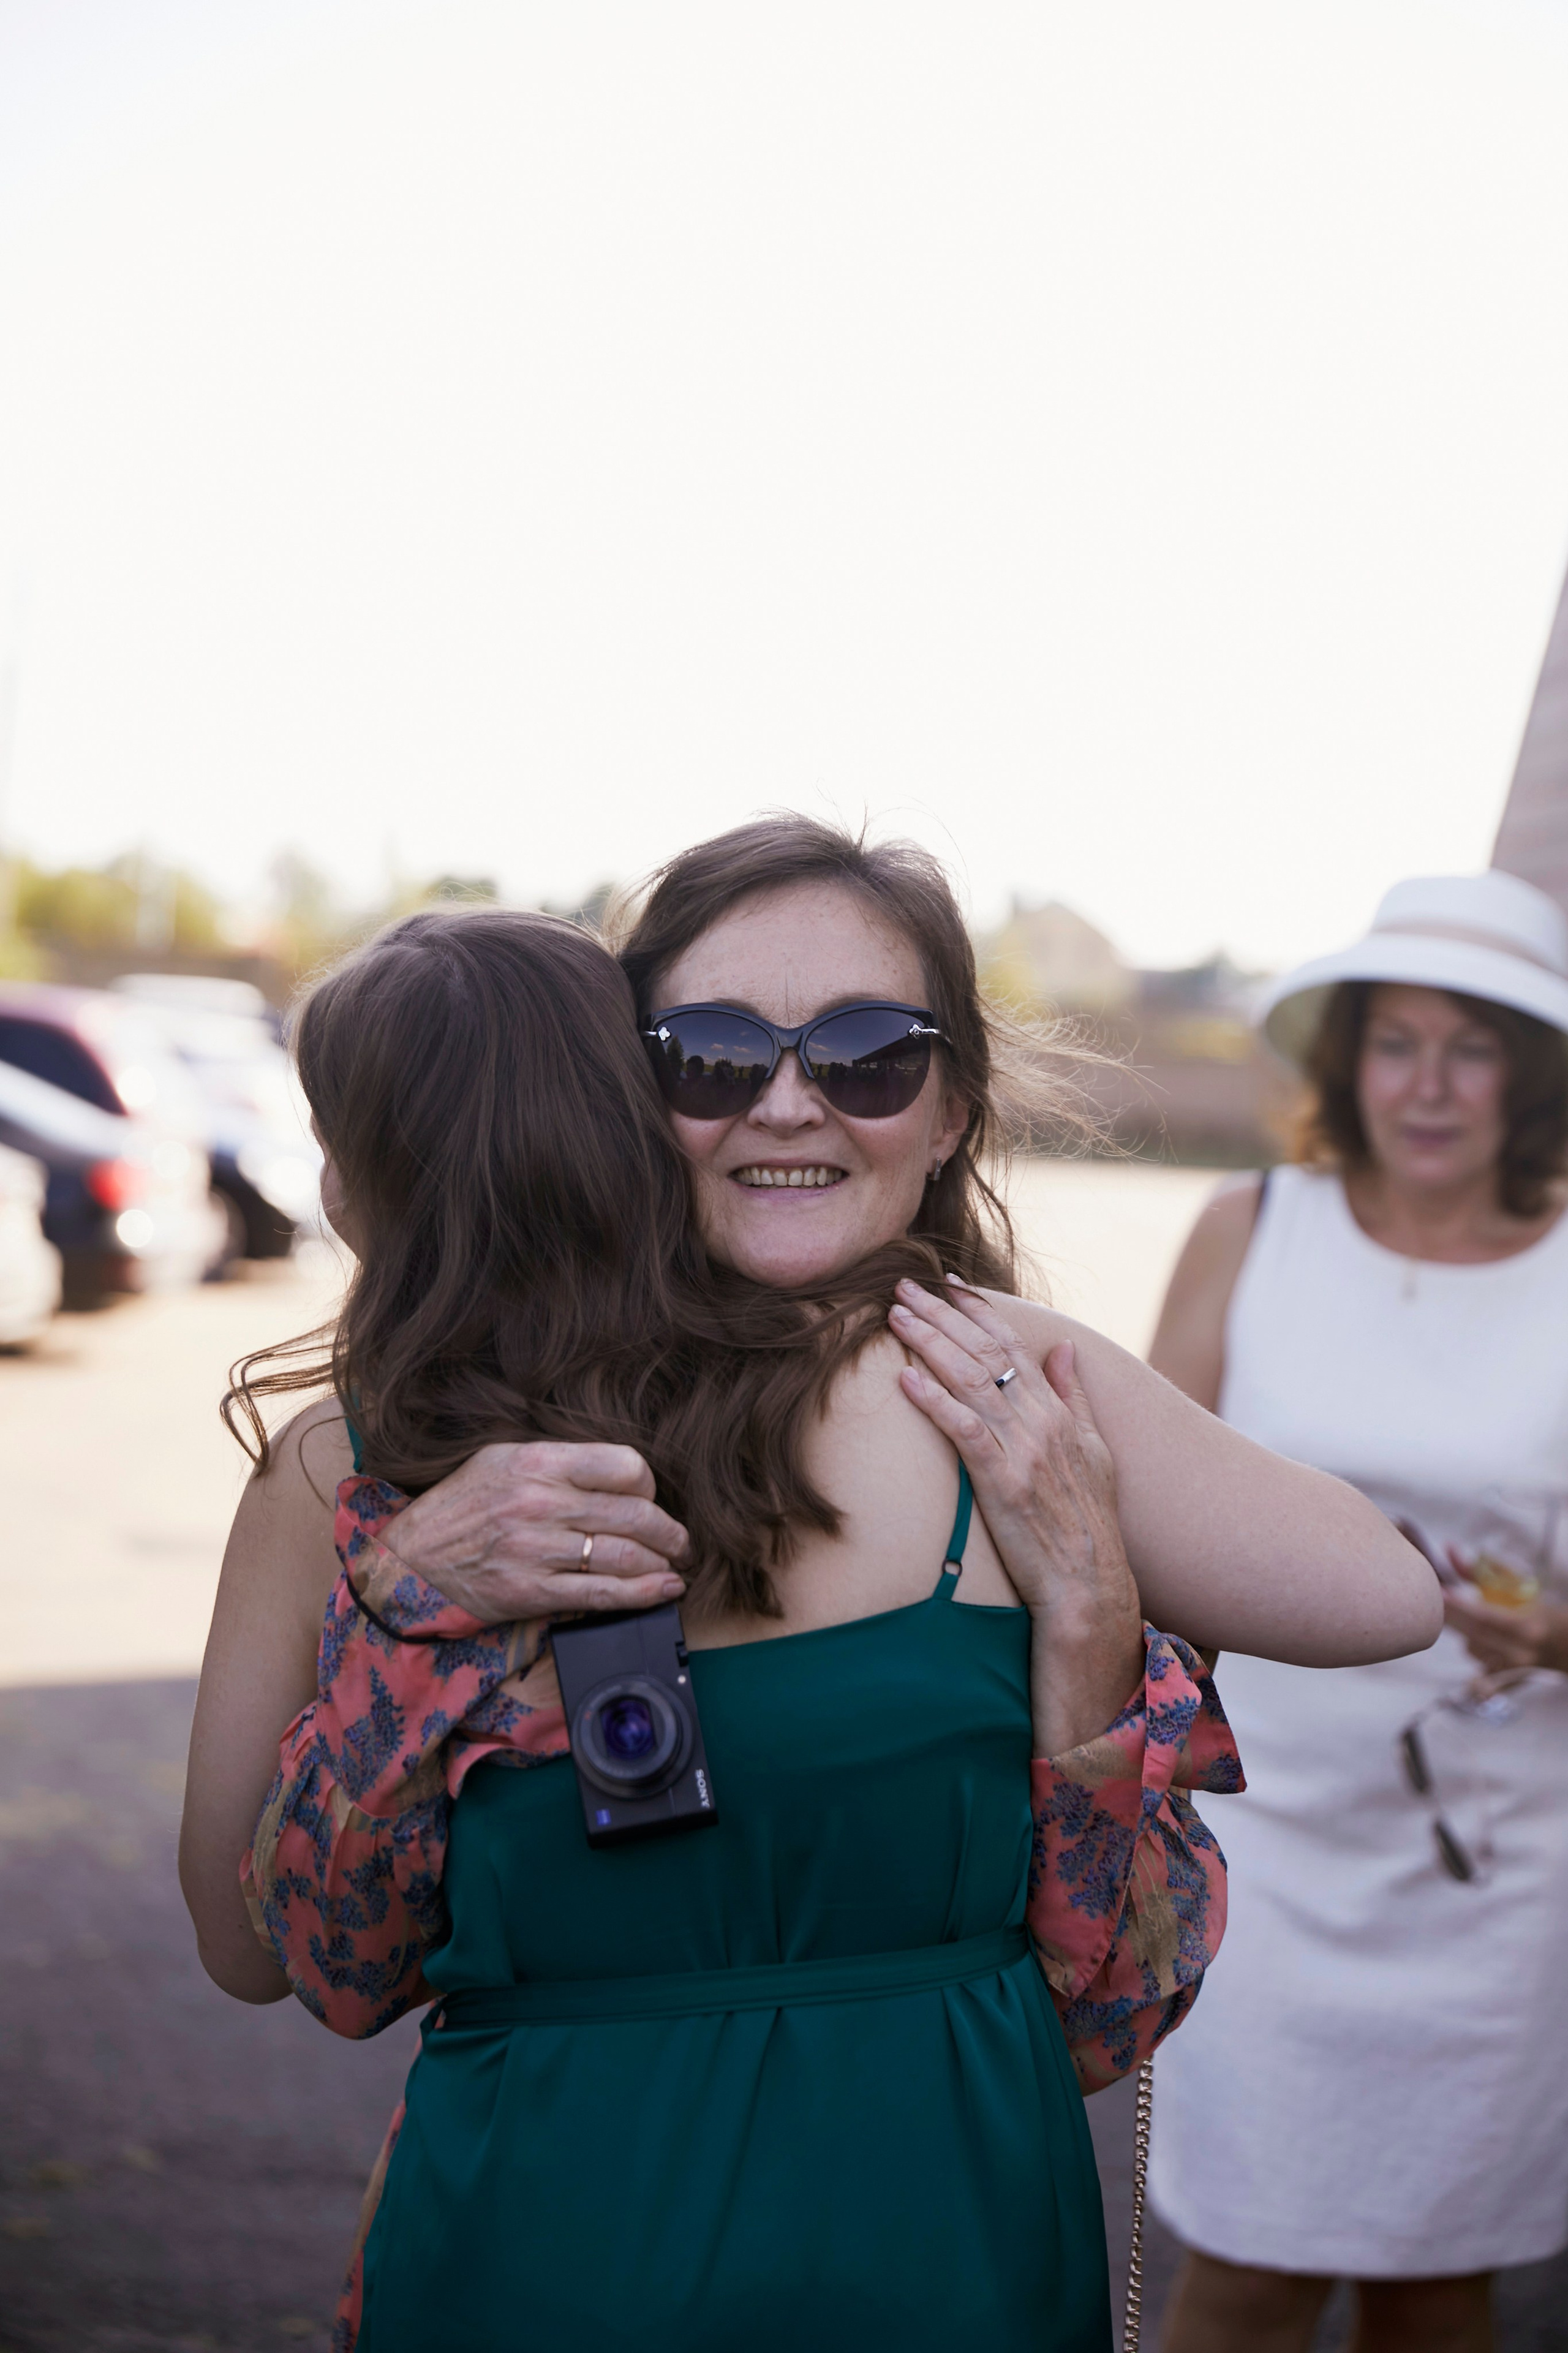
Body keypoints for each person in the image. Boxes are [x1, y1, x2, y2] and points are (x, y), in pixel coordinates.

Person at [179, 821, 1439, 2353]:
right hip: (540, 2264)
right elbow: (259, 1957)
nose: (789, 1099)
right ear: (619, 1089)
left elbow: (1379, 1598)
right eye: (708, 1053)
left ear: (951, 1104)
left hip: (952, 2265)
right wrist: (407, 1600)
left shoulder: (996, 1395)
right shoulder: (362, 1457)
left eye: (868, 1052)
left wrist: (1095, 1602)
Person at [1147, 867, 1568, 2353]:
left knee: (1435, 2279)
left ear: (1528, 1073)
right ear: (1347, 1059)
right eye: (1396, 1042)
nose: (1429, 1084)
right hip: (1260, 1831)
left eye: (1473, 1045)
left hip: (1495, 1863)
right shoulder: (1248, 1224)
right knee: (1247, 2269)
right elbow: (1140, 1513)